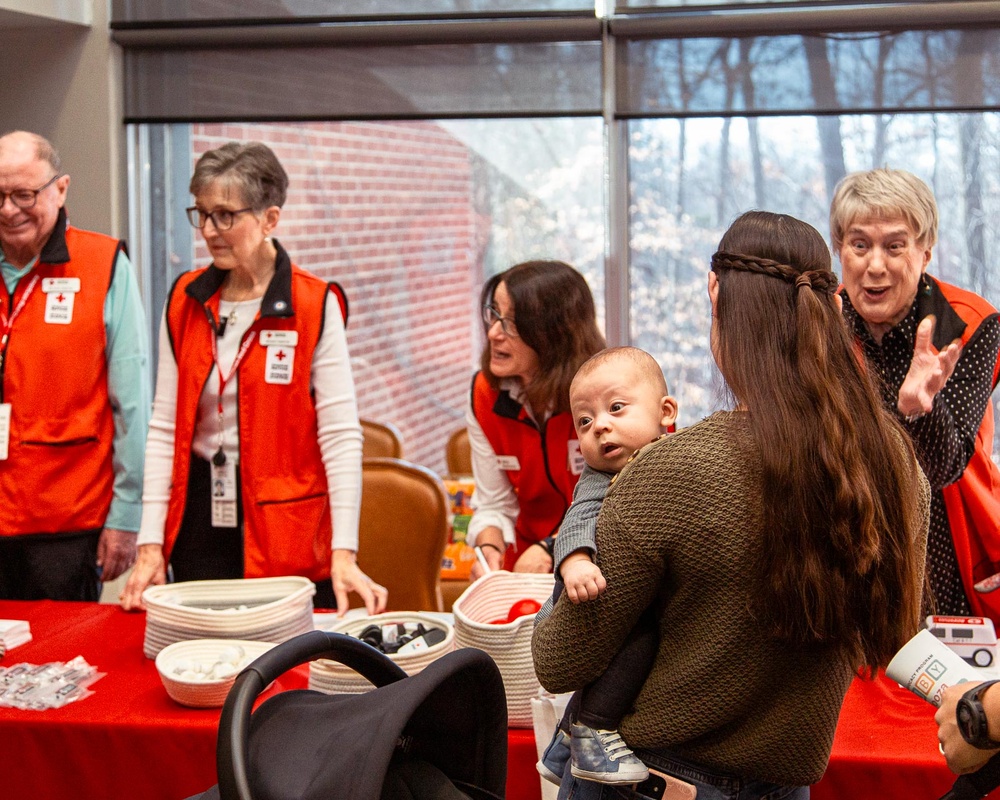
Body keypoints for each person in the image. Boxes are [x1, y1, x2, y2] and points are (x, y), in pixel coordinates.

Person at [533, 210, 930, 800]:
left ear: (716, 297)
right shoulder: (893, 461)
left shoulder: (674, 470)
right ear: (828, 308)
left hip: (653, 781)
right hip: (785, 783)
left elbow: (559, 658)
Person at [120, 141, 386, 615]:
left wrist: (345, 551)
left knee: (286, 666)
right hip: (201, 512)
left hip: (288, 520)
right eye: (201, 214)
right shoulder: (183, 299)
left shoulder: (313, 302)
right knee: (206, 654)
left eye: (225, 215)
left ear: (270, 219)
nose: (208, 230)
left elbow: (341, 436)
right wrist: (150, 544)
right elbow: (164, 428)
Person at [830, 168, 1000, 620]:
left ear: (925, 252)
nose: (875, 265)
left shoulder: (969, 323)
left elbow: (947, 468)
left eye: (895, 245)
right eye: (859, 244)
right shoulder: (819, 323)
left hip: (946, 534)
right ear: (839, 249)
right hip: (847, 534)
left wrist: (917, 410)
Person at [0, 130, 150, 601]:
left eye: (24, 195)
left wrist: (127, 516)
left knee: (59, 667)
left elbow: (132, 402)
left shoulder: (103, 264)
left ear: (60, 189)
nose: (8, 210)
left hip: (67, 522)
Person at [535, 346, 678, 786]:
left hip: (621, 585)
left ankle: (562, 744)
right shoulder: (598, 478)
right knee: (639, 640)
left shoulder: (675, 459)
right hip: (591, 586)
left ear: (665, 412)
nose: (600, 425)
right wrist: (575, 562)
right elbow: (577, 518)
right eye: (585, 421)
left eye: (616, 409)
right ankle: (593, 729)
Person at [466, 259, 605, 576]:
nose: (493, 333)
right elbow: (494, 503)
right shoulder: (485, 394)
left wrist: (552, 547)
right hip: (527, 564)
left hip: (598, 561)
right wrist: (489, 547)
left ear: (554, 335)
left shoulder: (612, 392)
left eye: (512, 323)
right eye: (495, 315)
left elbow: (622, 502)